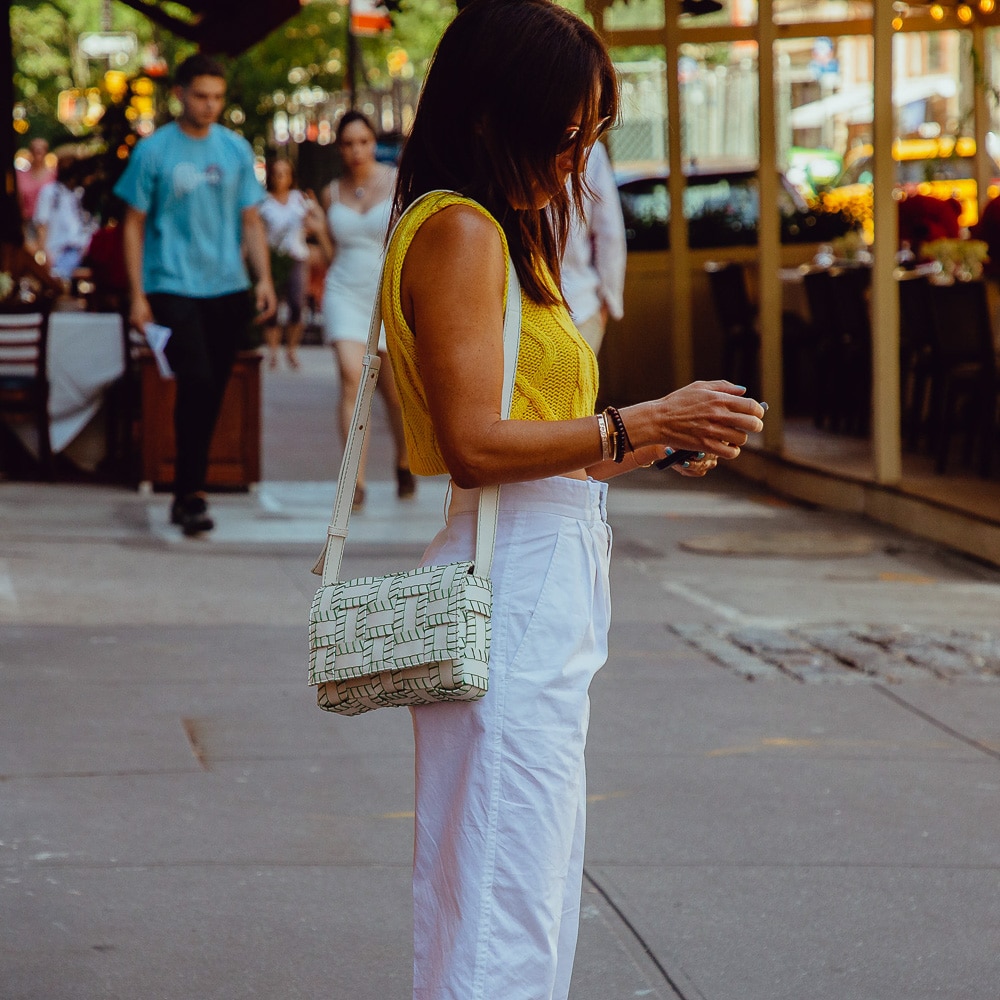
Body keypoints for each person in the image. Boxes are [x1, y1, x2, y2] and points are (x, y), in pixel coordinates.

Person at [378, 2, 766, 998]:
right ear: (488, 117)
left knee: (519, 868)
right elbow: (470, 447)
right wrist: (637, 421)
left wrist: (660, 437)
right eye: (565, 135)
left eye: (590, 136)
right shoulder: (462, 233)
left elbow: (540, 449)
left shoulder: (490, 233)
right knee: (506, 875)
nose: (577, 164)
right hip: (512, 576)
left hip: (540, 567)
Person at [114, 52, 276, 536]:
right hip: (172, 283)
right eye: (201, 96)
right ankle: (190, 491)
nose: (210, 106)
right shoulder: (154, 151)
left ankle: (190, 488)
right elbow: (133, 224)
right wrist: (137, 295)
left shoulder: (235, 149)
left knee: (212, 389)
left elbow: (251, 220)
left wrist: (263, 277)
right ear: (180, 94)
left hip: (227, 286)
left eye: (217, 98)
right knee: (198, 380)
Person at [320, 110, 414, 510]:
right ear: (339, 147)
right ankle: (353, 480)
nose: (356, 150)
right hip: (342, 289)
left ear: (374, 142)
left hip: (383, 294)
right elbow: (329, 254)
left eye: (363, 141)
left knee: (394, 394)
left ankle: (405, 461)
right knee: (350, 378)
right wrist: (313, 229)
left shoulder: (397, 183)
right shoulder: (330, 192)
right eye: (348, 143)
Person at [259, 158, 329, 370]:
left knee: (297, 305)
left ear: (291, 176)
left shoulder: (299, 198)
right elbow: (259, 231)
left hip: (297, 256)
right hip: (273, 259)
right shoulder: (264, 201)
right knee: (271, 308)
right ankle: (273, 351)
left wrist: (309, 225)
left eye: (285, 173)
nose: (281, 177)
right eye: (277, 173)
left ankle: (291, 348)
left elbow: (316, 219)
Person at [559, 138, 626, 355]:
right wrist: (608, 299)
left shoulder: (591, 150)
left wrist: (606, 303)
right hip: (581, 304)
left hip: (579, 303)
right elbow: (610, 232)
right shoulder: (590, 149)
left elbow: (609, 234)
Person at [33, 150, 95, 284]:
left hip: (83, 249)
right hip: (58, 251)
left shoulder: (81, 194)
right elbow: (41, 225)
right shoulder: (49, 193)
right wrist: (46, 254)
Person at [16, 137, 54, 251]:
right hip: (28, 221)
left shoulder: (53, 175)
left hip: (48, 223)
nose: (37, 153)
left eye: (41, 150)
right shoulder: (20, 175)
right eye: (34, 150)